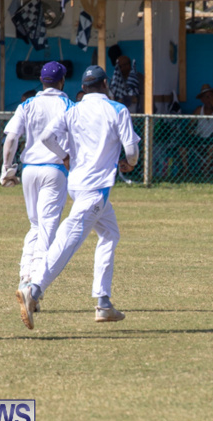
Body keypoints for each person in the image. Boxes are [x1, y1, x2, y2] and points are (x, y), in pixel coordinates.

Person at [16, 66, 140, 330]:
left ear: (83, 87)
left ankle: (103, 303)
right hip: (96, 189)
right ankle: (33, 290)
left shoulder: (73, 110)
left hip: (77, 185)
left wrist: (64, 156)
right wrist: (129, 163)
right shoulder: (117, 110)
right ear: (105, 84)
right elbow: (131, 151)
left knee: (110, 234)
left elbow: (47, 137)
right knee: (68, 239)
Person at [1, 61, 74, 300]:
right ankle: (33, 286)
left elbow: (11, 139)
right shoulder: (68, 105)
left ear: (41, 81)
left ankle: (25, 276)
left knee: (35, 225)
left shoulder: (27, 104)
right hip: (55, 169)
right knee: (47, 229)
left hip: (29, 170)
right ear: (62, 81)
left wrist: (6, 167)